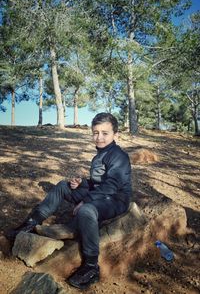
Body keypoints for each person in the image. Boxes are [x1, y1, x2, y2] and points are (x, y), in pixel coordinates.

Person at [7, 112, 132, 290]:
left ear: (115, 135)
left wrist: (85, 200)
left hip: (116, 199)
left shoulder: (118, 155)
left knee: (86, 210)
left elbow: (112, 185)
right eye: (96, 132)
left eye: (105, 133)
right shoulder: (100, 155)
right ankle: (31, 222)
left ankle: (91, 266)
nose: (99, 137)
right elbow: (99, 183)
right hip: (101, 194)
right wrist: (83, 183)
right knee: (62, 186)